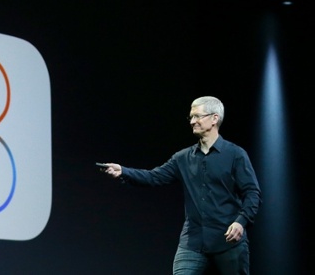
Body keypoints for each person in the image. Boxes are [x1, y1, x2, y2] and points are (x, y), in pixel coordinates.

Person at [100, 96, 262, 274]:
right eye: (191, 117)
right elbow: (154, 177)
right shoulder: (182, 158)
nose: (193, 121)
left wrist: (241, 222)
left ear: (215, 118)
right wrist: (123, 171)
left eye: (198, 116)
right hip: (192, 242)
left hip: (228, 243)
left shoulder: (235, 155)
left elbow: (252, 193)